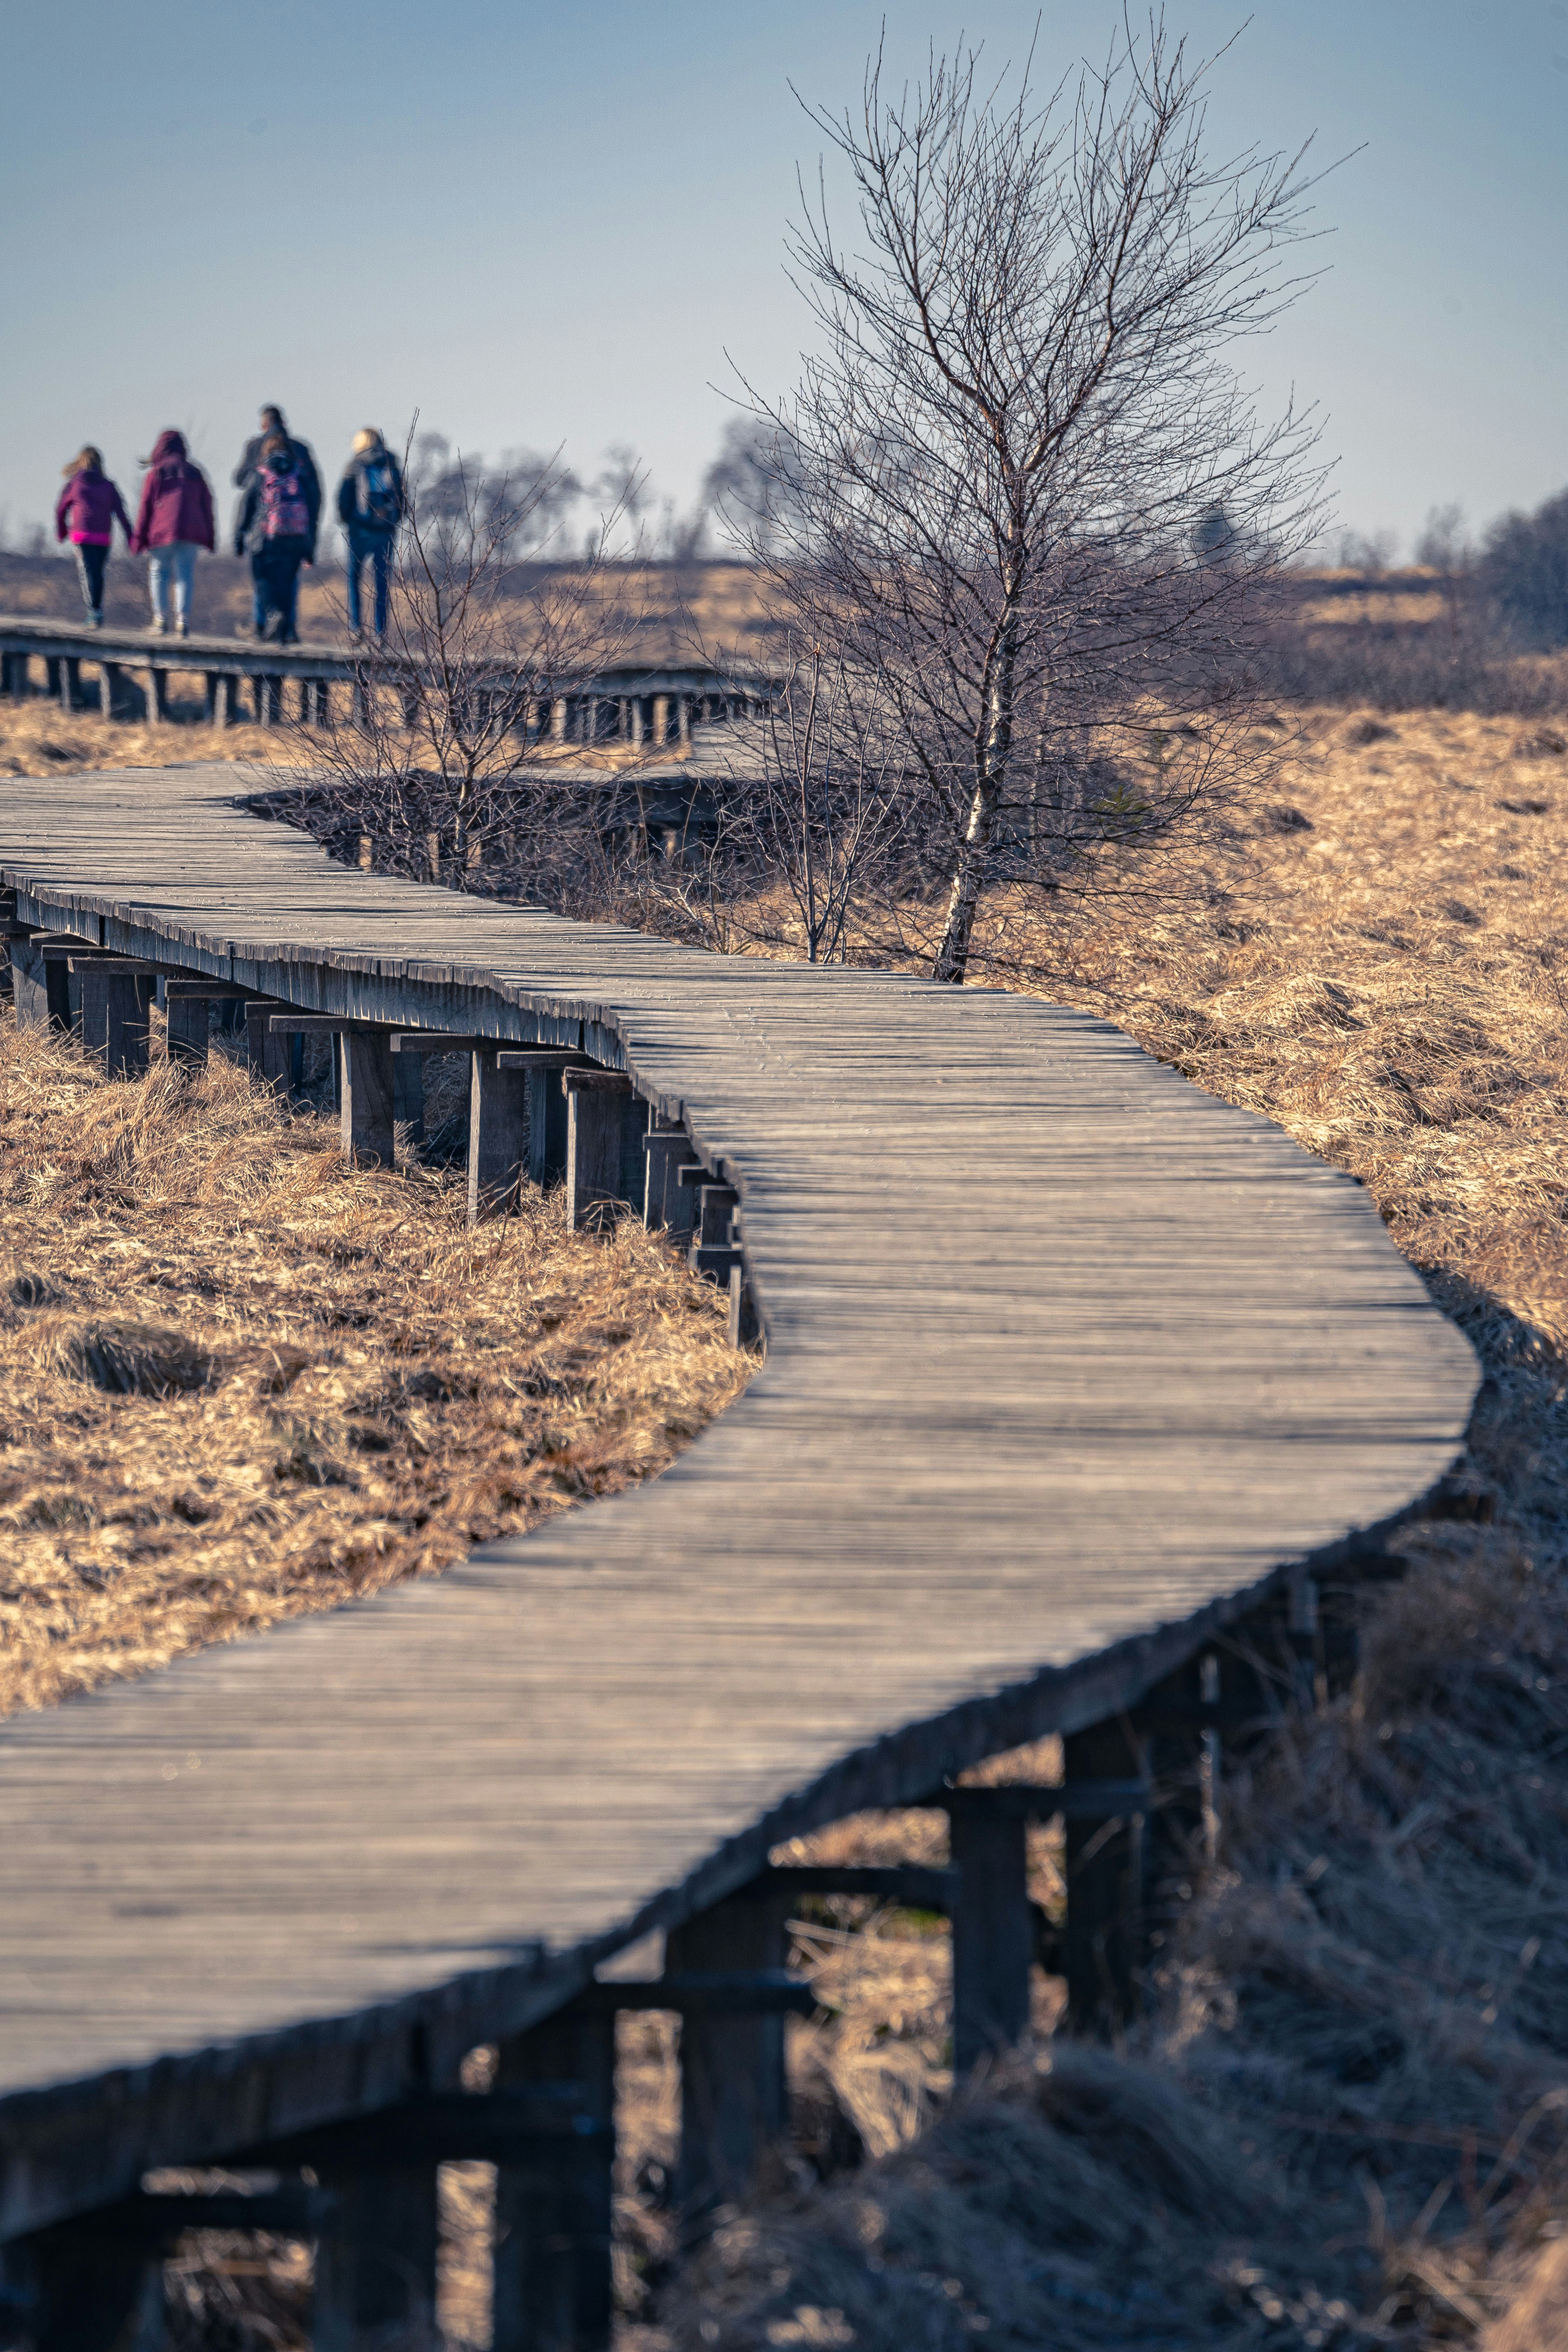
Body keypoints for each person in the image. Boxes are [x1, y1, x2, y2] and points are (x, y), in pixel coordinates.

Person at [233, 431, 319, 643]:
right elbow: (312, 509)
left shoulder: (261, 473)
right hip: (295, 539)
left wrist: (239, 537)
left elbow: (245, 507)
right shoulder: (300, 474)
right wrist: (310, 547)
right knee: (288, 583)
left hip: (266, 539)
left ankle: (273, 615)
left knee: (263, 579)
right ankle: (289, 630)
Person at [130, 430, 215, 638]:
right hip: (192, 532)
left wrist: (138, 539)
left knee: (159, 572)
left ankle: (160, 620)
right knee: (184, 575)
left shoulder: (156, 473)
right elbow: (208, 505)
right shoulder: (196, 473)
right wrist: (210, 537)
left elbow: (145, 508)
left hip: (162, 531)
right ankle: (182, 622)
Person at [54, 448, 132, 629]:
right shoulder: (109, 485)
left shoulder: (74, 484)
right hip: (103, 536)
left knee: (87, 572)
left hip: (81, 535)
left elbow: (60, 510)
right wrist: (130, 536)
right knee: (98, 573)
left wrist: (62, 531)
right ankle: (97, 610)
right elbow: (121, 512)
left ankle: (94, 612)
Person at [336, 429, 404, 638]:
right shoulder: (392, 464)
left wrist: (349, 521)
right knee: (382, 584)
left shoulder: (354, 465)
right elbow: (402, 498)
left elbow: (343, 498)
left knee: (354, 580)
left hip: (359, 532)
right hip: (385, 531)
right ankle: (380, 632)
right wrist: (393, 522)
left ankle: (356, 628)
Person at [233, 404, 320, 510]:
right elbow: (314, 489)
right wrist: (312, 522)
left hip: (263, 520)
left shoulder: (254, 447)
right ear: (283, 423)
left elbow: (239, 479)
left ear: (264, 426)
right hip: (299, 520)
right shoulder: (301, 449)